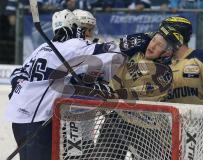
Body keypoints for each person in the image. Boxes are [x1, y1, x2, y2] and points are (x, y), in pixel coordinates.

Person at [5, 9, 123, 160]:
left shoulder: (88, 49)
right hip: (66, 117)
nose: (89, 33)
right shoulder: (70, 48)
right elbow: (22, 73)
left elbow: (108, 78)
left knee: (82, 152)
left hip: (83, 116)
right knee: (73, 154)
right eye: (86, 28)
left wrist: (102, 87)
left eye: (91, 29)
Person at [84, 31, 174, 159]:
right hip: (117, 118)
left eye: (159, 45)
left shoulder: (163, 73)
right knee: (103, 156)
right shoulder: (136, 55)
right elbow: (111, 72)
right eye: (153, 40)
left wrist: (108, 93)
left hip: (147, 126)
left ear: (167, 53)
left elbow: (135, 95)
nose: (152, 46)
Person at [156, 16, 203, 146]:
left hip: (200, 133)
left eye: (163, 36)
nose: (159, 41)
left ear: (175, 37)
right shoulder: (160, 64)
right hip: (168, 135)